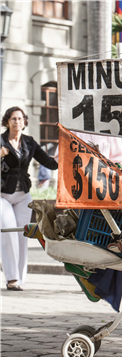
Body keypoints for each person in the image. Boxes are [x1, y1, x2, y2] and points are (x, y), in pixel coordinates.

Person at [0, 106, 58, 291]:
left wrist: (65, 156)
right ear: (7, 122)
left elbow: (48, 162)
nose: (17, 122)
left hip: (23, 195)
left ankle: (20, 278)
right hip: (3, 195)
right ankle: (11, 278)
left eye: (20, 119)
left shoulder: (29, 142)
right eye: (13, 119)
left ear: (25, 122)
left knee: (23, 235)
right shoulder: (0, 141)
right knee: (9, 233)